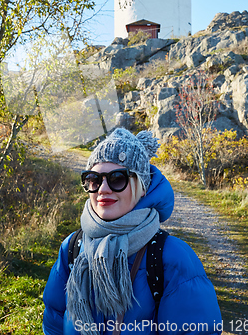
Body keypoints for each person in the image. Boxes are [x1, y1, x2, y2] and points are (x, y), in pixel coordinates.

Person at [42, 128, 222, 335]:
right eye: (94, 179)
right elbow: (54, 318)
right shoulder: (73, 246)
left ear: (141, 187)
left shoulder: (172, 257)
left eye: (117, 178)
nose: (103, 189)